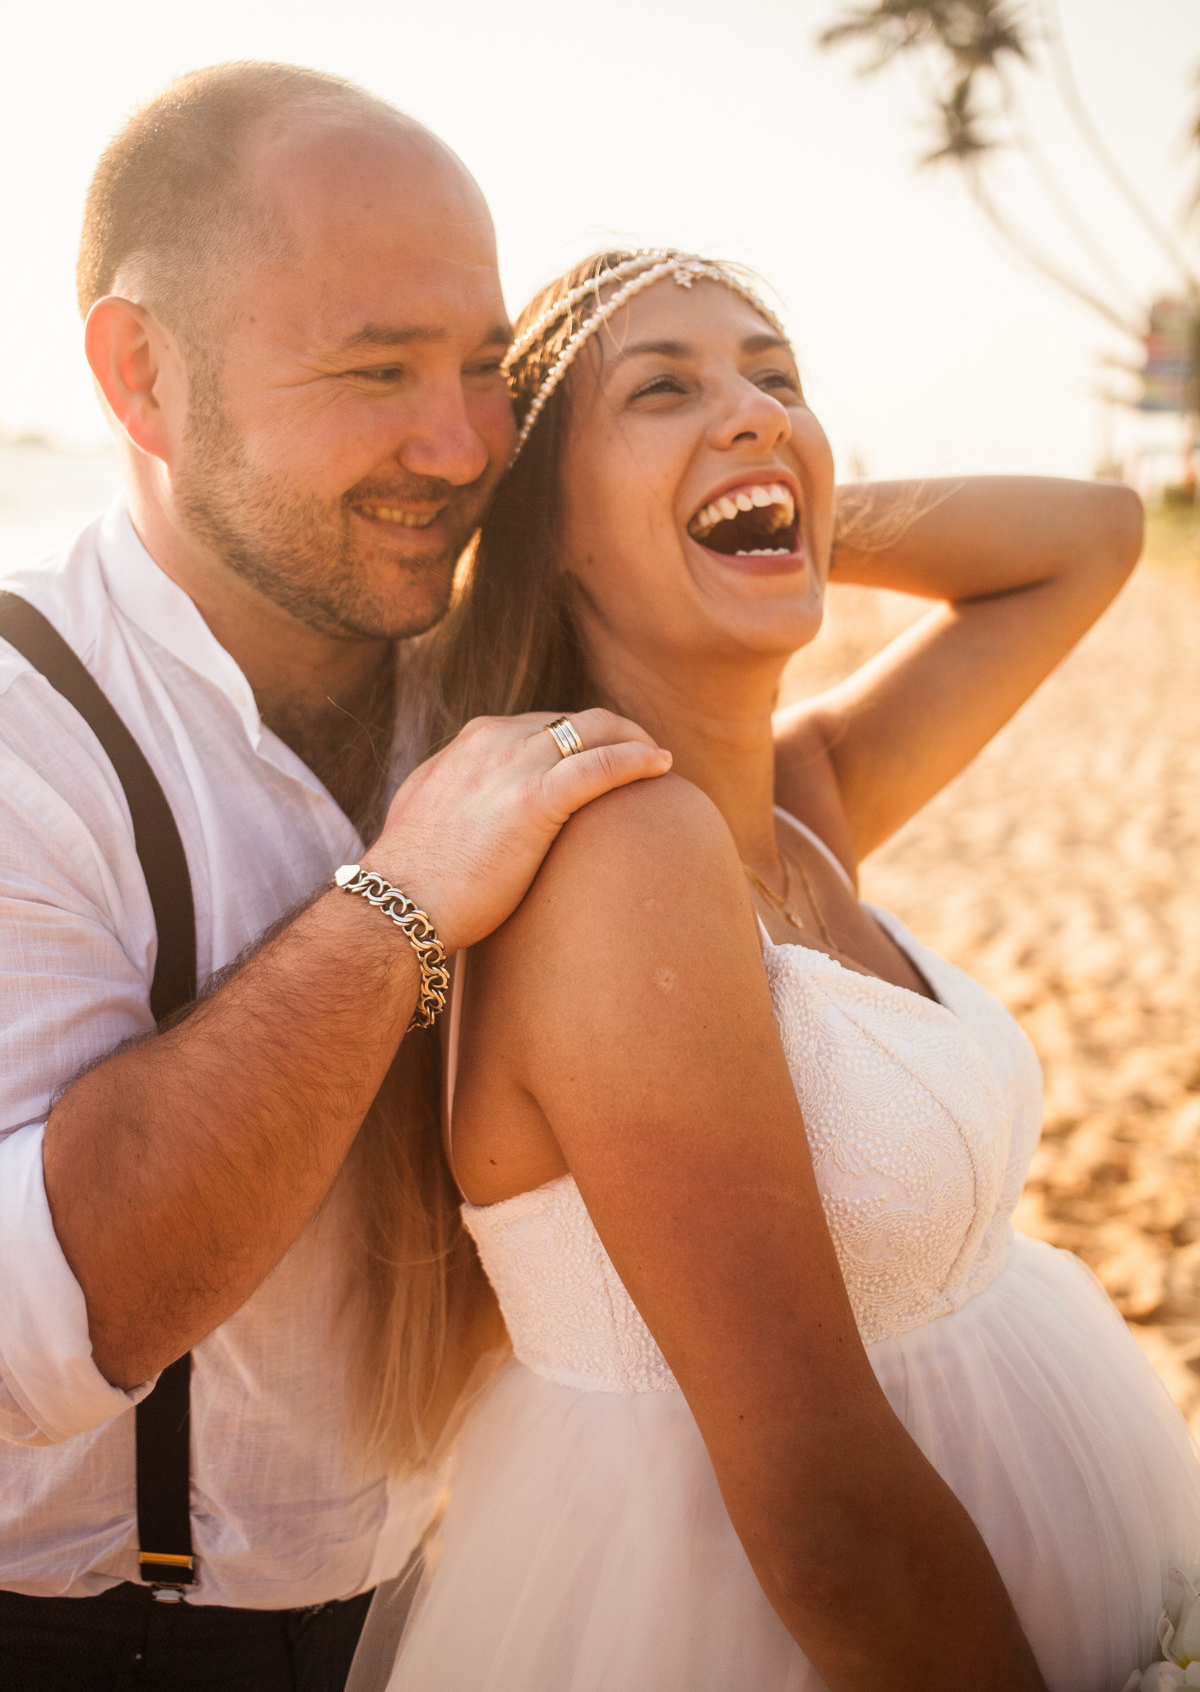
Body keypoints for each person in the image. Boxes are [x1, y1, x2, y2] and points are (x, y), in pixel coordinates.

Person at [364, 248, 1200, 1692]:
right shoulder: (617, 858)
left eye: (778, 377)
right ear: (544, 517)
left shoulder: (792, 807)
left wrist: (760, 504)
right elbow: (824, 1529)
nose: (751, 407)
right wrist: (690, 506)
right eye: (666, 387)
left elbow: (1093, 535)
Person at [0, 65, 673, 1691]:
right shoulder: (24, 732)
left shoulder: (492, 671)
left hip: (439, 1612)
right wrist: (401, 901)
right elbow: (37, 1327)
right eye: (377, 370)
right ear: (140, 373)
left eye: (486, 370)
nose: (455, 447)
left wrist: (701, 487)